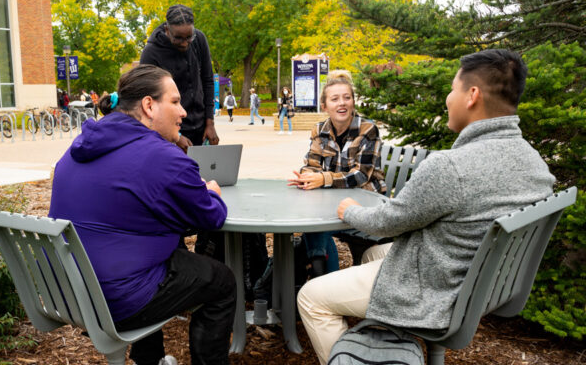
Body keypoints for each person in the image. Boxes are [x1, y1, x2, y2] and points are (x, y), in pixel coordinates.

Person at [296, 49, 556, 365]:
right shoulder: (534, 162)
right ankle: (379, 348)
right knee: (371, 255)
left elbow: (388, 221)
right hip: (479, 284)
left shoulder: (451, 166)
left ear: (471, 95)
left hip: (437, 290)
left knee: (311, 297)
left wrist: (348, 211)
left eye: (452, 89)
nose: (448, 98)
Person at [49, 65, 236, 365]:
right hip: (116, 300)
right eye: (175, 102)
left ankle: (148, 359)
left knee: (167, 252)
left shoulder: (78, 147)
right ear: (149, 105)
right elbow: (211, 217)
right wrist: (211, 192)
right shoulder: (163, 157)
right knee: (222, 282)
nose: (184, 112)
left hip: (68, 292)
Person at [288, 70, 387, 277]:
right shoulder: (320, 130)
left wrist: (324, 178)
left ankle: (320, 278)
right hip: (335, 200)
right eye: (335, 99)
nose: (342, 103)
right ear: (325, 106)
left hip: (368, 202)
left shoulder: (368, 129)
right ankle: (322, 277)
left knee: (316, 226)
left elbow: (361, 176)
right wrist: (306, 177)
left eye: (347, 98)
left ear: (353, 102)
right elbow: (312, 163)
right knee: (315, 223)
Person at [140, 4, 218, 149]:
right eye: (179, 38)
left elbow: (207, 81)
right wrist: (176, 137)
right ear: (167, 30)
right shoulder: (151, 52)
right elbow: (148, 101)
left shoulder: (199, 39)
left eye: (189, 37)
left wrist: (210, 123)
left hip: (201, 128)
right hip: (170, 134)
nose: (185, 43)